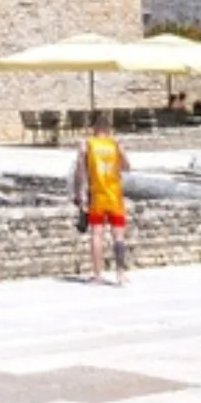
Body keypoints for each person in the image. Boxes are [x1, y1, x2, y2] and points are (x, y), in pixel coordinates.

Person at [71, 114, 128, 285]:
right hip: (115, 196)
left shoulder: (88, 145)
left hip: (97, 196)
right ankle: (120, 274)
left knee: (97, 235)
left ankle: (98, 274)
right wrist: (122, 152)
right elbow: (127, 167)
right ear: (108, 128)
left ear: (94, 128)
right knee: (118, 236)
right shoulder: (115, 144)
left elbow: (80, 172)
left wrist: (78, 193)